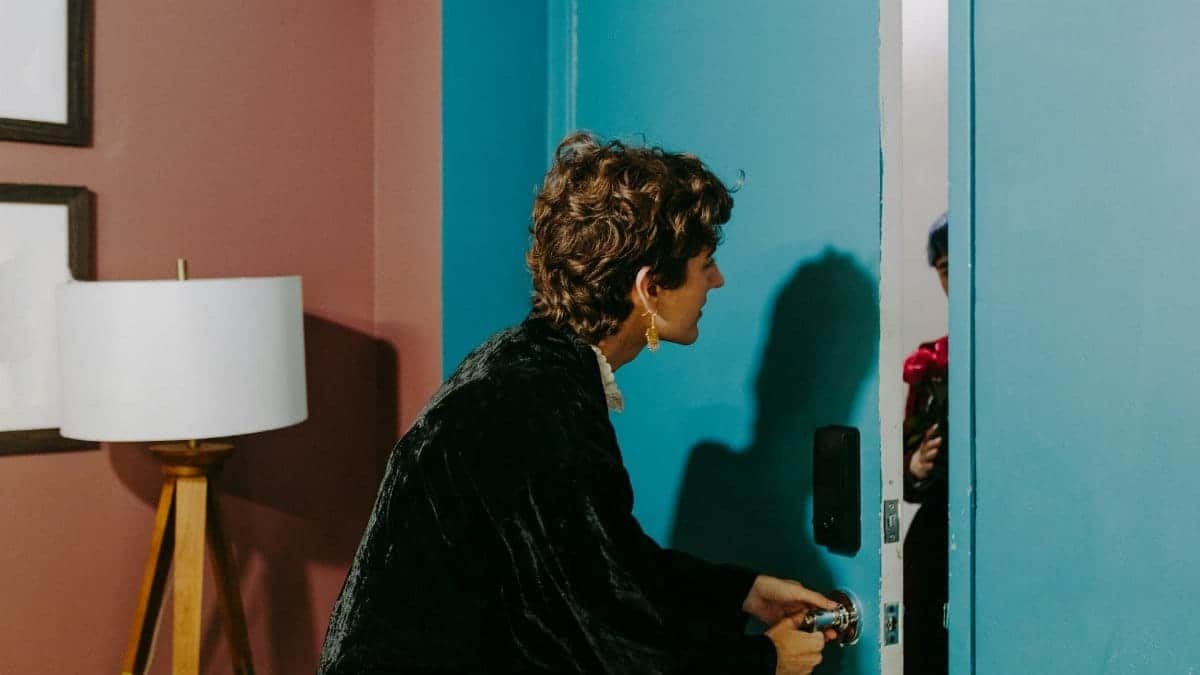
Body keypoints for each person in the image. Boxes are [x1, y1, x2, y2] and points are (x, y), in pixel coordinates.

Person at [318, 132, 839, 675]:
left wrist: (742, 592)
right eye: (705, 262)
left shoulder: (525, 365)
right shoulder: (541, 404)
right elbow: (597, 637)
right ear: (649, 287)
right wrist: (763, 659)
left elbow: (602, 560)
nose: (717, 280)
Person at [902, 213, 949, 674]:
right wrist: (915, 465)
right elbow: (904, 471)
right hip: (935, 539)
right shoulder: (930, 361)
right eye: (944, 269)